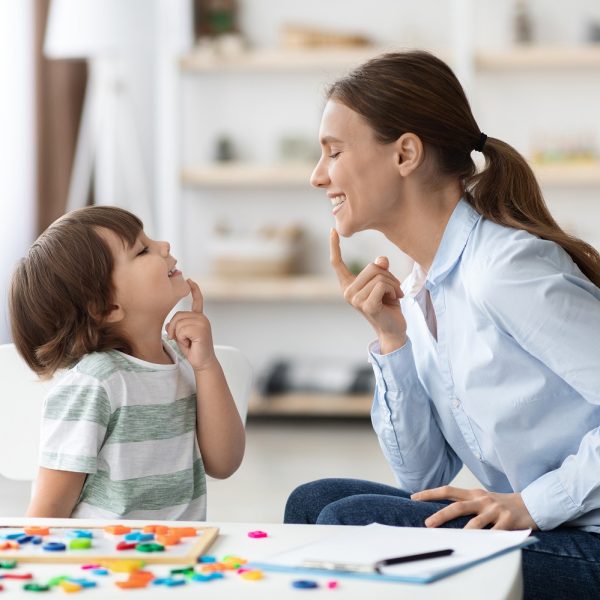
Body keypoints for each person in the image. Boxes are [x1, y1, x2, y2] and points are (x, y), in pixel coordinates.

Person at [284, 50, 600, 598]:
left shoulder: (505, 271)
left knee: (349, 525)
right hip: (553, 529)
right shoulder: (417, 289)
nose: (317, 176)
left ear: (405, 153)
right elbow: (424, 479)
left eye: (333, 152)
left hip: (586, 538)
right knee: (314, 503)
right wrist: (392, 341)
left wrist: (530, 504)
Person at [9, 206, 245, 520]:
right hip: (104, 563)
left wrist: (206, 366)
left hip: (181, 557)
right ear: (107, 307)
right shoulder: (95, 383)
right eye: (142, 250)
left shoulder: (183, 361)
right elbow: (49, 508)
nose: (164, 247)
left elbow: (224, 463)